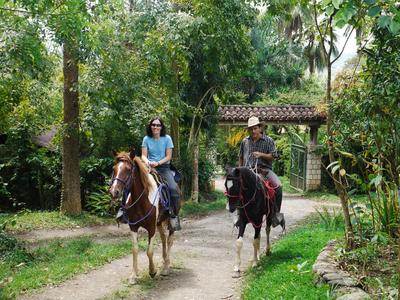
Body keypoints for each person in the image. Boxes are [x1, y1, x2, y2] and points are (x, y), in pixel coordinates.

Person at [238, 116, 284, 227]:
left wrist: (261, 155)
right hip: (248, 171)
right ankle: (239, 215)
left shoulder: (268, 140)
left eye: (255, 128)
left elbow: (274, 156)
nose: (253, 131)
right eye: (250, 129)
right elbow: (240, 157)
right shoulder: (245, 142)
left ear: (260, 128)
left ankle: (275, 215)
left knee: (278, 187)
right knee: (235, 186)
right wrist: (239, 171)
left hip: (265, 171)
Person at [141, 117, 181, 231]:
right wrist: (148, 162)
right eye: (153, 125)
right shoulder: (146, 139)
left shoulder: (167, 138)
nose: (155, 127)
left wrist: (157, 163)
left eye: (158, 125)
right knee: (132, 181)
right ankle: (124, 210)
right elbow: (143, 155)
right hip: (148, 167)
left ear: (161, 127)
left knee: (173, 190)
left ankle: (173, 216)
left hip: (163, 168)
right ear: (150, 126)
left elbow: (169, 156)